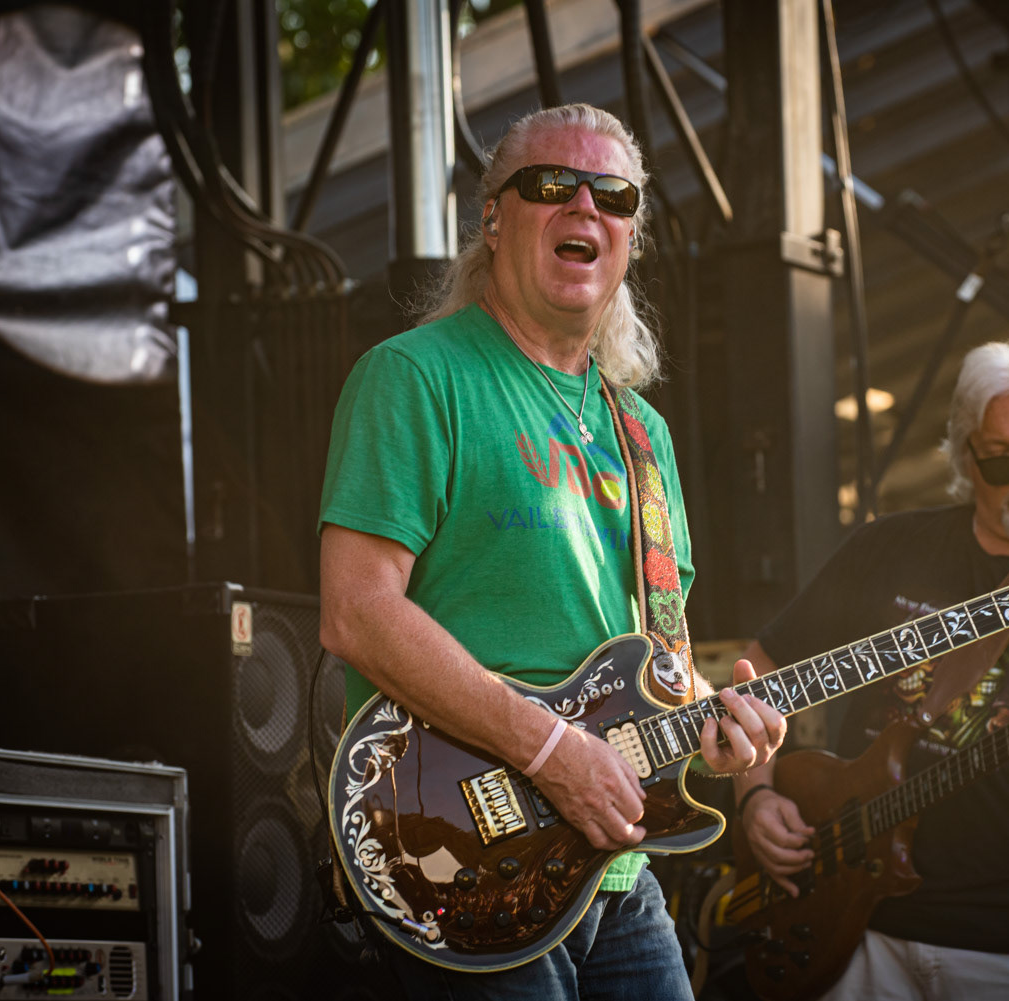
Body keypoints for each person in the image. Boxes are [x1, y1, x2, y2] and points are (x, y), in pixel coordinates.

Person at [318, 103, 785, 1000]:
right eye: (551, 184)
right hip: (459, 849)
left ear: (631, 238)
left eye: (613, 195)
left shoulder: (642, 434)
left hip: (615, 863)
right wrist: (549, 753)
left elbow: (660, 662)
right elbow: (357, 612)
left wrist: (715, 731)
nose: (585, 207)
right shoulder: (415, 376)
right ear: (492, 218)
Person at [733, 338, 1009, 1000]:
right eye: (1001, 458)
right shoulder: (887, 547)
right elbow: (760, 672)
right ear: (967, 459)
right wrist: (755, 795)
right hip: (851, 921)